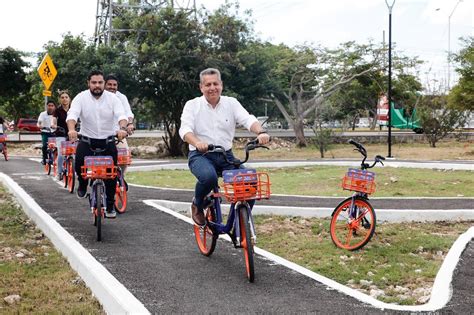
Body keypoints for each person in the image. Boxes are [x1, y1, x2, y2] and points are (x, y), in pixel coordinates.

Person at [179, 68, 270, 226]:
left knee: (250, 180)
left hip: (226, 156)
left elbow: (247, 119)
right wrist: (197, 143)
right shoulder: (192, 105)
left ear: (221, 85)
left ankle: (241, 223)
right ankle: (198, 204)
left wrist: (261, 132)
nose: (212, 88)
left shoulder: (231, 103)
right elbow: (185, 129)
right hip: (201, 155)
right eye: (208, 84)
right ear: (201, 87)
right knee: (209, 177)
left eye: (215, 83)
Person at [66, 70, 128, 218]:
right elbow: (72, 114)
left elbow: (122, 115)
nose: (97, 85)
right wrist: (72, 130)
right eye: (94, 82)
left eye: (100, 82)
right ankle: (82, 183)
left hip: (108, 140)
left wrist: (122, 128)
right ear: (88, 83)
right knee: (79, 164)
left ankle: (111, 205)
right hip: (87, 139)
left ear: (104, 84)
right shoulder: (81, 97)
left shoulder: (113, 99)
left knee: (111, 174)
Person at [104, 74, 135, 175]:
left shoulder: (121, 97)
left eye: (114, 85)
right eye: (109, 84)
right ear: (104, 85)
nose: (112, 87)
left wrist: (130, 124)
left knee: (124, 157)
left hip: (118, 134)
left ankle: (120, 179)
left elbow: (128, 113)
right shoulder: (98, 96)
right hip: (100, 134)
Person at [51, 90, 71, 179]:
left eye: (66, 97)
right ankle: (59, 172)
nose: (64, 99)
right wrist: (53, 125)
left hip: (72, 134)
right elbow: (54, 119)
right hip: (60, 134)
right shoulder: (57, 110)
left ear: (70, 99)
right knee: (61, 153)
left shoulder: (74, 108)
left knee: (75, 154)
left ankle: (74, 169)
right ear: (60, 99)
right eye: (62, 97)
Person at [37, 100, 56, 165]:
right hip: (45, 132)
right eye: (49, 106)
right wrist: (40, 126)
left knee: (56, 147)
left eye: (52, 106)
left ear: (54, 107)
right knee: (44, 146)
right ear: (46, 106)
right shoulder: (42, 114)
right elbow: (39, 121)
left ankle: (55, 158)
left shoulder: (56, 114)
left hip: (54, 132)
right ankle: (44, 159)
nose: (50, 107)